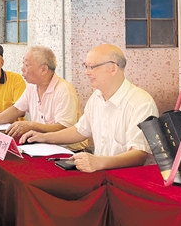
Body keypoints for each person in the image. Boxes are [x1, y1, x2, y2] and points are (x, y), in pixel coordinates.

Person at [21, 44, 159, 173]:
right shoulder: (96, 97)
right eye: (85, 66)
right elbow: (79, 130)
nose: (86, 72)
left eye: (92, 67)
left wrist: (100, 162)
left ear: (112, 68)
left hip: (129, 179)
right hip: (100, 175)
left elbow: (139, 154)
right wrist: (43, 137)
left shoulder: (141, 103)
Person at [0, 46, 86, 151]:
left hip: (66, 151)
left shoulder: (64, 90)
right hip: (40, 146)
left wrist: (32, 126)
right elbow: (17, 109)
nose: (22, 68)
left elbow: (64, 128)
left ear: (43, 69)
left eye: (26, 65)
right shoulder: (32, 86)